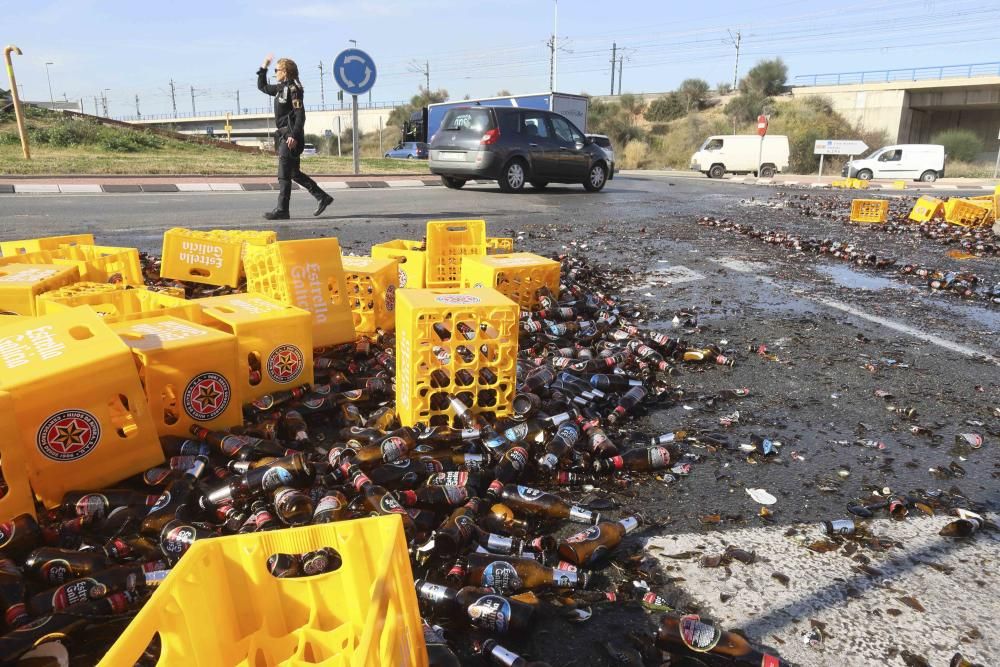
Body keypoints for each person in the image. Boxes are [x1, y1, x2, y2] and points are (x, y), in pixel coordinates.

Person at [257, 54, 333, 220]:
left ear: (285, 72)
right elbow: (262, 86)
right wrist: (264, 67)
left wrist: (294, 135)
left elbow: (300, 115)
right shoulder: (279, 88)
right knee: (293, 173)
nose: (275, 72)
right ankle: (322, 197)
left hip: (291, 137)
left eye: (277, 70)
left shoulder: (293, 89)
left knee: (283, 174)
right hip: (284, 135)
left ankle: (282, 210)